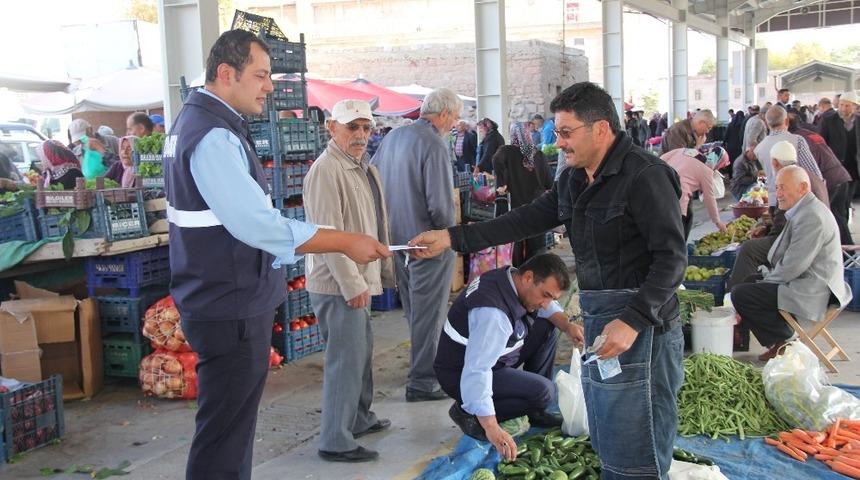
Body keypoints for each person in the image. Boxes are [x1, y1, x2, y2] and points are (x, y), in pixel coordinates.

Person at [410, 82, 687, 479]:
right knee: (609, 422)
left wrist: (633, 320)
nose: (558, 143)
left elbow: (672, 259)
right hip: (601, 317)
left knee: (638, 428)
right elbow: (522, 219)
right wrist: (452, 238)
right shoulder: (574, 179)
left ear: (601, 129)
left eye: (566, 133)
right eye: (557, 132)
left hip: (644, 325)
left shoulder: (646, 176)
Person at [164, 30, 391, 480]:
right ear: (226, 73)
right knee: (224, 435)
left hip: (221, 295)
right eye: (261, 75)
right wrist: (343, 241)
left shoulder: (201, 124)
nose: (269, 87)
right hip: (228, 300)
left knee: (229, 431)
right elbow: (257, 225)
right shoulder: (211, 136)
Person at [303, 99, 395, 463]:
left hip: (360, 277)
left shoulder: (362, 167)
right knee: (345, 360)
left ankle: (358, 417)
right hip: (338, 283)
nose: (360, 135)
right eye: (351, 127)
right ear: (331, 128)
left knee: (360, 353)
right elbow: (327, 235)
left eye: (366, 128)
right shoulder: (326, 171)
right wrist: (352, 284)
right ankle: (335, 439)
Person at [435, 253, 584, 458]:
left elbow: (548, 308)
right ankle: (468, 413)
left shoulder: (511, 278)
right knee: (544, 392)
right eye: (546, 295)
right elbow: (477, 370)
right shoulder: (493, 314)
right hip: (460, 373)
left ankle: (534, 412)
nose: (546, 303)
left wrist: (567, 326)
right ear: (528, 278)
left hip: (495, 356)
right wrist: (491, 426)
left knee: (547, 326)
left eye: (552, 298)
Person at [371, 87, 461, 402]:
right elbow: (441, 208)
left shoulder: (394, 137)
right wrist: (450, 233)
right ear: (444, 114)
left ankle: (421, 368)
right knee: (429, 314)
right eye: (455, 117)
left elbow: (372, 180)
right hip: (427, 243)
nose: (454, 124)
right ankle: (423, 380)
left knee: (415, 311)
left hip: (397, 241)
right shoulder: (433, 144)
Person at [731, 166, 851, 361]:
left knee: (742, 294)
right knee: (749, 282)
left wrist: (766, 280)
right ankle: (781, 339)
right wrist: (764, 279)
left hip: (815, 289)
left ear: (803, 187)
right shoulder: (804, 209)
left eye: (783, 188)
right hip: (809, 280)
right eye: (777, 187)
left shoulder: (811, 216)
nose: (778, 193)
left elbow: (793, 266)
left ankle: (785, 339)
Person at [492, 122, 553, 266]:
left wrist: (502, 182)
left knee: (516, 243)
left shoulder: (506, 152)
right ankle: (536, 271)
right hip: (537, 207)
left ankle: (517, 271)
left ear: (513, 134)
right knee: (537, 244)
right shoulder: (539, 155)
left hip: (516, 206)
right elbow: (549, 183)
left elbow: (495, 160)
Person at [788, 113, 853, 244]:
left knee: (832, 219)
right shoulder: (809, 134)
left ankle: (845, 252)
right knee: (840, 218)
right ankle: (847, 252)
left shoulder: (797, 140)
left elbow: (811, 167)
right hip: (841, 176)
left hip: (830, 180)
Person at [755, 106, 824, 208]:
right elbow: (814, 174)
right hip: (797, 200)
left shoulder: (759, 148)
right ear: (787, 120)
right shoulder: (798, 140)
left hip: (773, 201)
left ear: (766, 123)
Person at [661, 145, 729, 239]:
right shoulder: (706, 170)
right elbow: (709, 198)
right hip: (677, 196)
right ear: (718, 163)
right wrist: (717, 221)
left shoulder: (687, 151)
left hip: (660, 185)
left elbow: (661, 158)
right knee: (679, 229)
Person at [820, 91, 860, 202]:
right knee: (837, 200)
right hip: (836, 166)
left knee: (848, 198)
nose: (843, 108)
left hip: (854, 167)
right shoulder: (829, 120)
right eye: (841, 105)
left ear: (855, 106)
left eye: (847, 106)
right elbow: (822, 144)